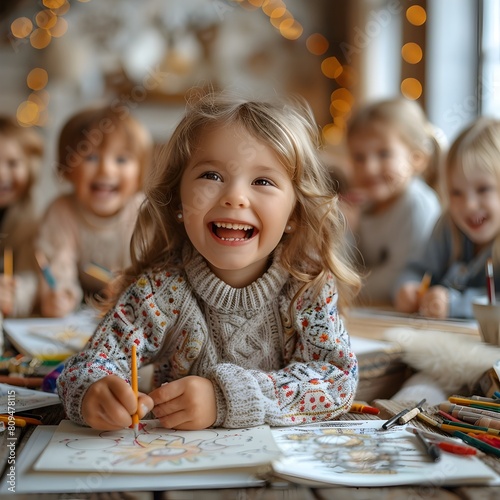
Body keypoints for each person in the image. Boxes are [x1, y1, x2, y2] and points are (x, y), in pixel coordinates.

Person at [57, 91, 361, 431]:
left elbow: (336, 379)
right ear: (178, 200)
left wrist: (223, 399)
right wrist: (93, 393)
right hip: (174, 472)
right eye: (211, 176)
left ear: (294, 212)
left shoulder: (308, 287)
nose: (234, 197)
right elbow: (88, 365)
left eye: (263, 181)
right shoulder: (160, 290)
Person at [36, 105, 152, 318]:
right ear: (68, 168)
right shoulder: (61, 211)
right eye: (90, 157)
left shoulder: (142, 211)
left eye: (121, 159)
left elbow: (150, 268)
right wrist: (60, 296)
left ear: (140, 172)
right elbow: (57, 265)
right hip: (80, 315)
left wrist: (130, 286)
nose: (106, 169)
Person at [394, 117, 500, 319]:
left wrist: (455, 304)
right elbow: (417, 269)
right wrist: (408, 288)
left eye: (483, 189)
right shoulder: (448, 224)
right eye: (456, 193)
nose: (469, 205)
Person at [345, 98, 443, 305]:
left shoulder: (417, 205)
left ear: (417, 159)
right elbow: (344, 264)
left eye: (384, 154)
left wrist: (344, 287)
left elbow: (400, 275)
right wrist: (345, 229)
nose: (369, 168)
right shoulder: (363, 204)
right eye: (359, 157)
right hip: (371, 308)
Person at [0, 116, 43, 317]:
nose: (1, 173)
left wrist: (15, 296)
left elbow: (31, 278)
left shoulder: (30, 219)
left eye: (12, 163)